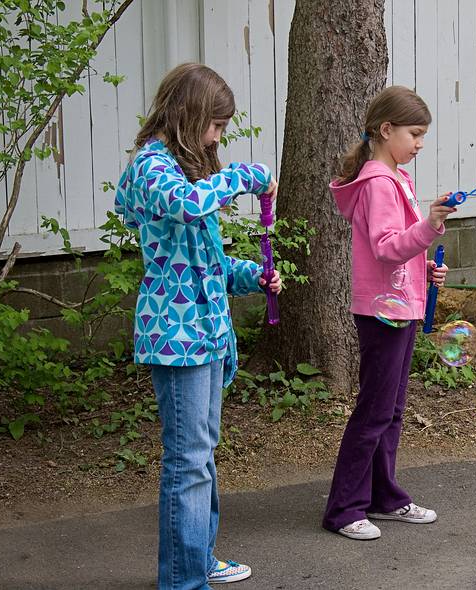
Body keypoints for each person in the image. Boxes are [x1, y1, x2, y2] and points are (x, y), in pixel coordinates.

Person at [114, 63, 281, 588]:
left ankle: (198, 560)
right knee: (187, 462)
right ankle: (183, 580)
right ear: (187, 114)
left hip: (206, 336)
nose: (217, 137)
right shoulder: (151, 169)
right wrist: (244, 177)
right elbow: (189, 207)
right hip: (176, 339)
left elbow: (205, 265)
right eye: (214, 125)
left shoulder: (187, 172)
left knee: (201, 458)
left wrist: (253, 276)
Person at [322, 86, 455, 540]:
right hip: (382, 313)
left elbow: (403, 248)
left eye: (423, 136)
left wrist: (426, 270)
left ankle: (383, 498)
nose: (419, 143)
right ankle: (343, 509)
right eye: (414, 134)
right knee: (375, 410)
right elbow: (384, 248)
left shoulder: (397, 177)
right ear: (385, 130)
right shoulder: (379, 181)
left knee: (392, 409)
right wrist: (429, 226)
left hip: (400, 306)